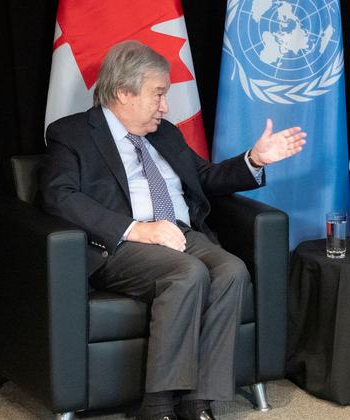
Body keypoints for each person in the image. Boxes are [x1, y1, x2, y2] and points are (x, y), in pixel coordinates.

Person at [40, 40, 306, 420]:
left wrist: (254, 159)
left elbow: (204, 177)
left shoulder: (164, 133)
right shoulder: (73, 133)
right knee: (187, 273)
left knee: (231, 270)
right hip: (121, 244)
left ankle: (200, 401)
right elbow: (59, 197)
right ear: (124, 93)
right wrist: (135, 229)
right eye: (158, 94)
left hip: (180, 232)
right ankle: (159, 405)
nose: (165, 107)